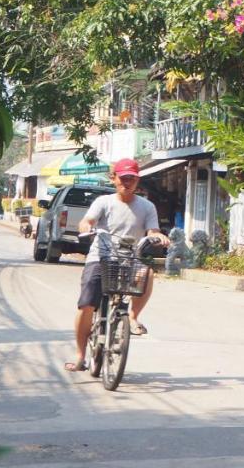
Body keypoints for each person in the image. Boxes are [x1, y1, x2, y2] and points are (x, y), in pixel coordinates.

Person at [67, 158, 168, 372]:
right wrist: (86, 228)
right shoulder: (104, 202)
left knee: (147, 273)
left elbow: (152, 231)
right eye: (123, 178)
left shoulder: (147, 206)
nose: (127, 182)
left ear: (137, 180)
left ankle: (132, 317)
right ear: (114, 179)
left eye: (131, 178)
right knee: (86, 305)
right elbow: (88, 221)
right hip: (101, 257)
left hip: (130, 259)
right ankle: (80, 356)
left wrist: (158, 237)